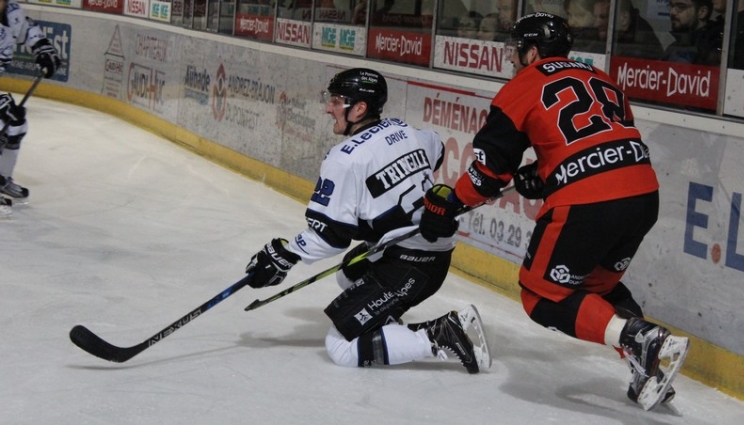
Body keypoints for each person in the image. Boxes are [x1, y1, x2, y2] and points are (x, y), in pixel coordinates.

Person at [419, 13, 689, 410]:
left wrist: (449, 205)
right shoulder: (601, 77)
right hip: (643, 193)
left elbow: (488, 174)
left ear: (531, 51)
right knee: (598, 289)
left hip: (588, 201)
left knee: (540, 296)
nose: (512, 60)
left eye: (516, 51)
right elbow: (602, 139)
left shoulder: (522, 85)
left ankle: (644, 342)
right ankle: (648, 367)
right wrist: (545, 175)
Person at [245, 68, 491, 374]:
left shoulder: (344, 158)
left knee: (341, 347)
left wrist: (284, 254)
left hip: (412, 264)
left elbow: (331, 237)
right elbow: (437, 147)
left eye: (336, 101)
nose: (328, 108)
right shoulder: (405, 130)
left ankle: (442, 334)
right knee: (350, 271)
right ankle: (388, 327)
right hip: (425, 252)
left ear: (359, 108)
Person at [0, 0, 61, 205]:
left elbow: (26, 28)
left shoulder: (12, 11)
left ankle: (2, 178)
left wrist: (42, 48)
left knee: (16, 124)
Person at [661, 0, 717, 64]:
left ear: (702, 12)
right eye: (671, 6)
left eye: (681, 6)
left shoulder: (711, 50)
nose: (672, 12)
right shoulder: (676, 46)